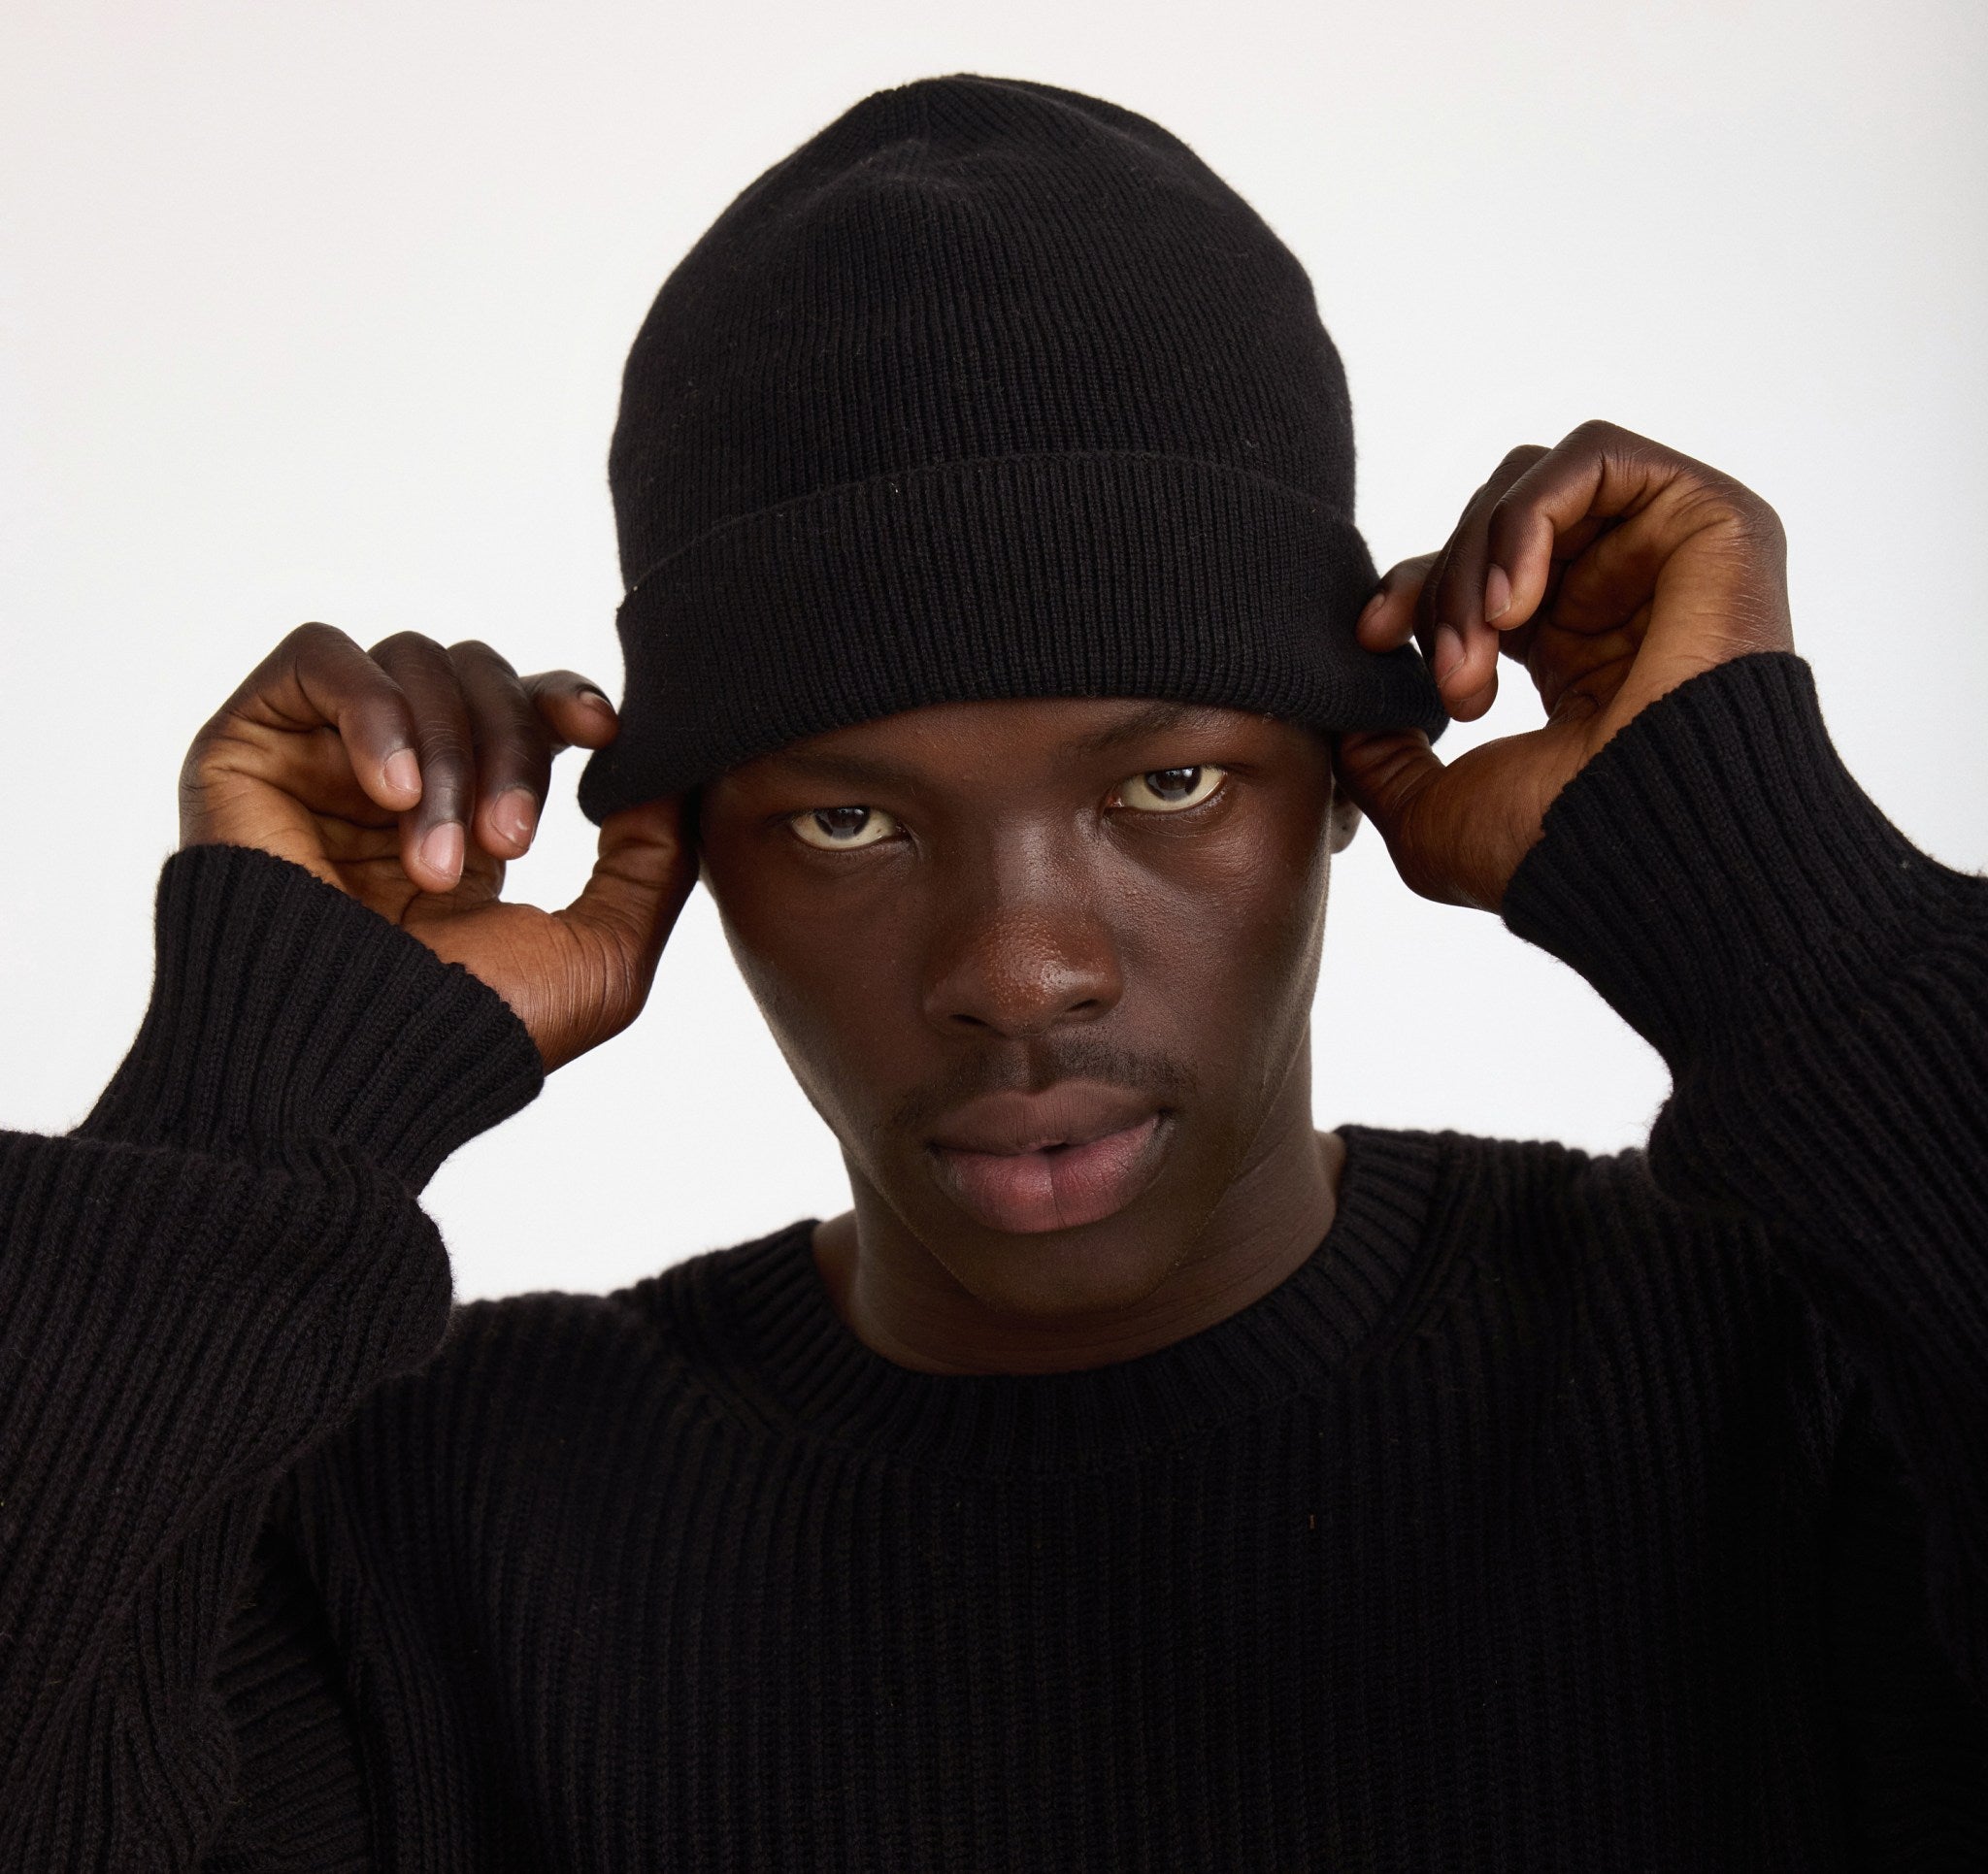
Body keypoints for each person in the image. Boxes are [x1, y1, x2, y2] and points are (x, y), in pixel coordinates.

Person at [2, 71, 1981, 1869]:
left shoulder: (1780, 1386)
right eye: (847, 821)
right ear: (689, 858)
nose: (1021, 969)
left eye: (1167, 783)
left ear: (1344, 784)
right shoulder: (434, 1541)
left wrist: (1784, 909)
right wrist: (250, 1110)